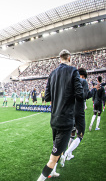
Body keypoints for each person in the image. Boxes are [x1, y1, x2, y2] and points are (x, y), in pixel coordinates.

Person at [37, 49, 83, 181]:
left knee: (59, 149)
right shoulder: (73, 71)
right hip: (66, 120)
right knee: (53, 157)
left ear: (60, 59)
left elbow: (47, 97)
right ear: (69, 58)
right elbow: (80, 94)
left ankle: (53, 172)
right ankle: (40, 179)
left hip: (55, 119)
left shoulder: (52, 73)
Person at [60, 68, 98, 165]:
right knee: (80, 135)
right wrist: (93, 90)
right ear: (83, 76)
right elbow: (84, 95)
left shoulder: (70, 82)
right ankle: (66, 153)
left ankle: (69, 155)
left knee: (72, 133)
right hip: (78, 111)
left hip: (70, 111)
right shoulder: (83, 81)